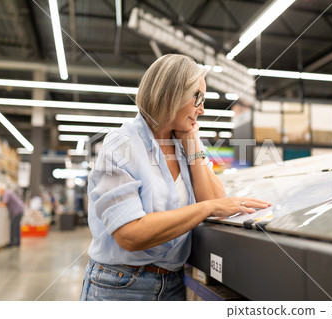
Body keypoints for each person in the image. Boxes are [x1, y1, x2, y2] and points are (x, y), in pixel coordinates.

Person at [80, 54, 271, 301]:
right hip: (120, 286)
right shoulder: (119, 146)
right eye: (197, 98)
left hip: (172, 284)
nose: (202, 109)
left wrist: (192, 143)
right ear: (171, 93)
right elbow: (129, 234)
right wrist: (208, 207)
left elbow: (216, 200)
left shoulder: (183, 144)